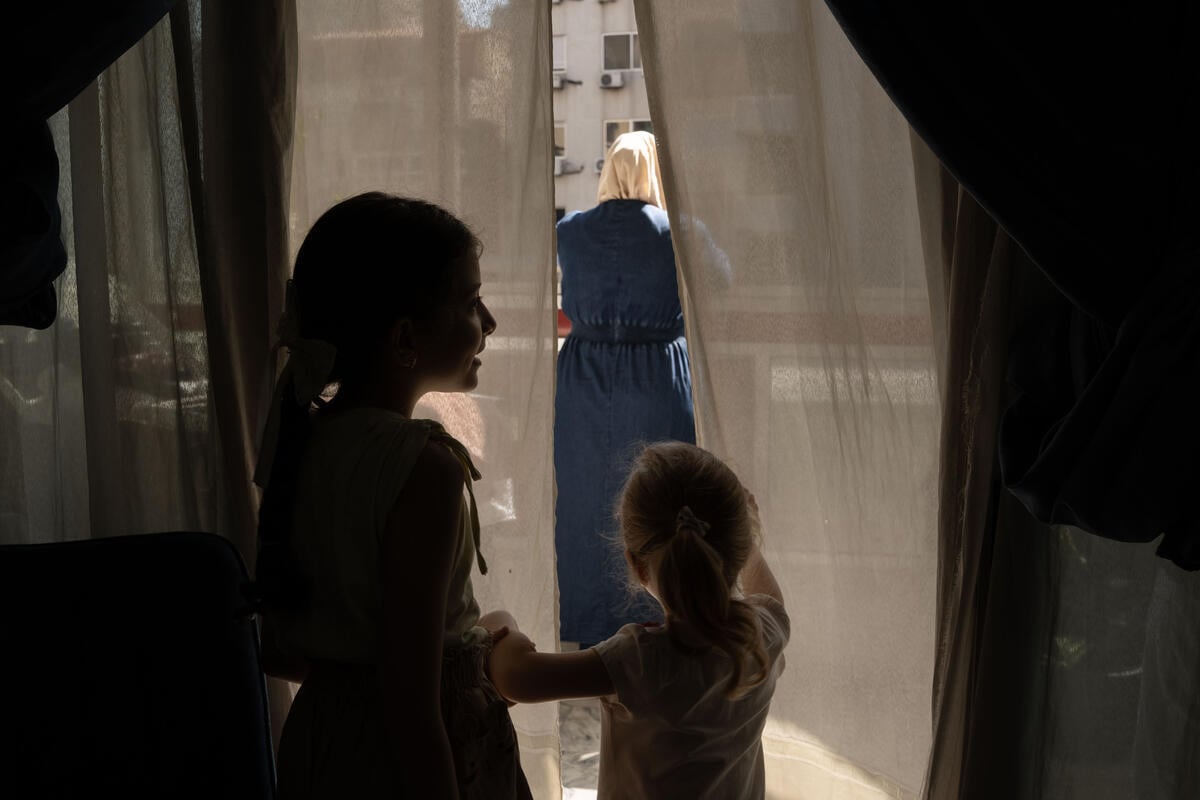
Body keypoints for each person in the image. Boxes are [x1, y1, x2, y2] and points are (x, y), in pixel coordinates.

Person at [251, 192, 532, 799]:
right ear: (406, 339)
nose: (489, 323)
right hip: (414, 765)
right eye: (470, 302)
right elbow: (411, 703)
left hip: (322, 746)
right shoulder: (425, 468)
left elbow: (287, 646)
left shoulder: (300, 442)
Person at [488, 441, 790, 800]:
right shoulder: (761, 637)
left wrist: (500, 623)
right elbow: (771, 600)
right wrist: (750, 543)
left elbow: (516, 678)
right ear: (740, 546)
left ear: (636, 563)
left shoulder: (639, 660)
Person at [555, 130, 695, 646]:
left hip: (583, 377)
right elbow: (718, 278)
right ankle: (657, 617)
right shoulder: (678, 232)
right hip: (658, 374)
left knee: (581, 497)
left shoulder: (571, 231)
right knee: (659, 495)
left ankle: (585, 623)